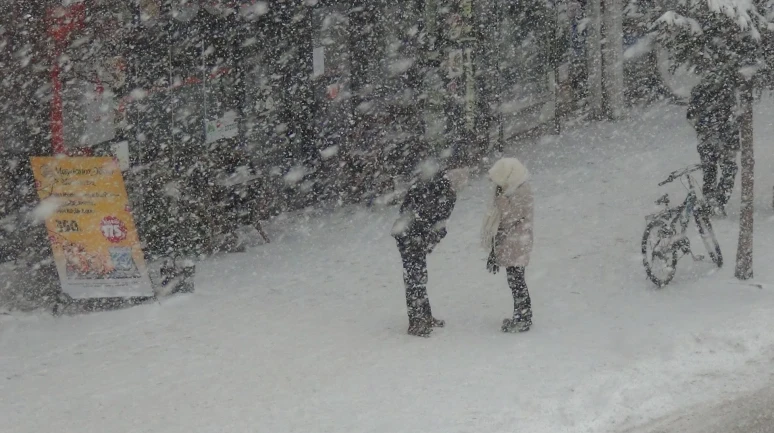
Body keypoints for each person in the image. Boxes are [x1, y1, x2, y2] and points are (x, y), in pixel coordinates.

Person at [391, 162, 462, 337]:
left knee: (418, 276)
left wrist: (430, 238)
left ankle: (425, 316)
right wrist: (428, 237)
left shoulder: (433, 188)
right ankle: (416, 322)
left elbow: (437, 221)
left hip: (412, 235)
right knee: (414, 278)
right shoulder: (440, 193)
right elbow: (436, 220)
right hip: (409, 236)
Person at [481, 157, 534, 333]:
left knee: (517, 281)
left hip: (517, 242)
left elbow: (510, 217)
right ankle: (522, 316)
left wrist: (501, 200)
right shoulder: (514, 188)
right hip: (512, 241)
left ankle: (523, 318)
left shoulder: (520, 190)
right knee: (515, 281)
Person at [686, 73, 739, 215]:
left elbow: (691, 116)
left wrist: (704, 128)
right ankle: (715, 203)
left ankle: (714, 203)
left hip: (714, 139)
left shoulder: (704, 90)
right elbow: (733, 116)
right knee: (723, 171)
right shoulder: (726, 90)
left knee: (713, 172)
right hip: (719, 140)